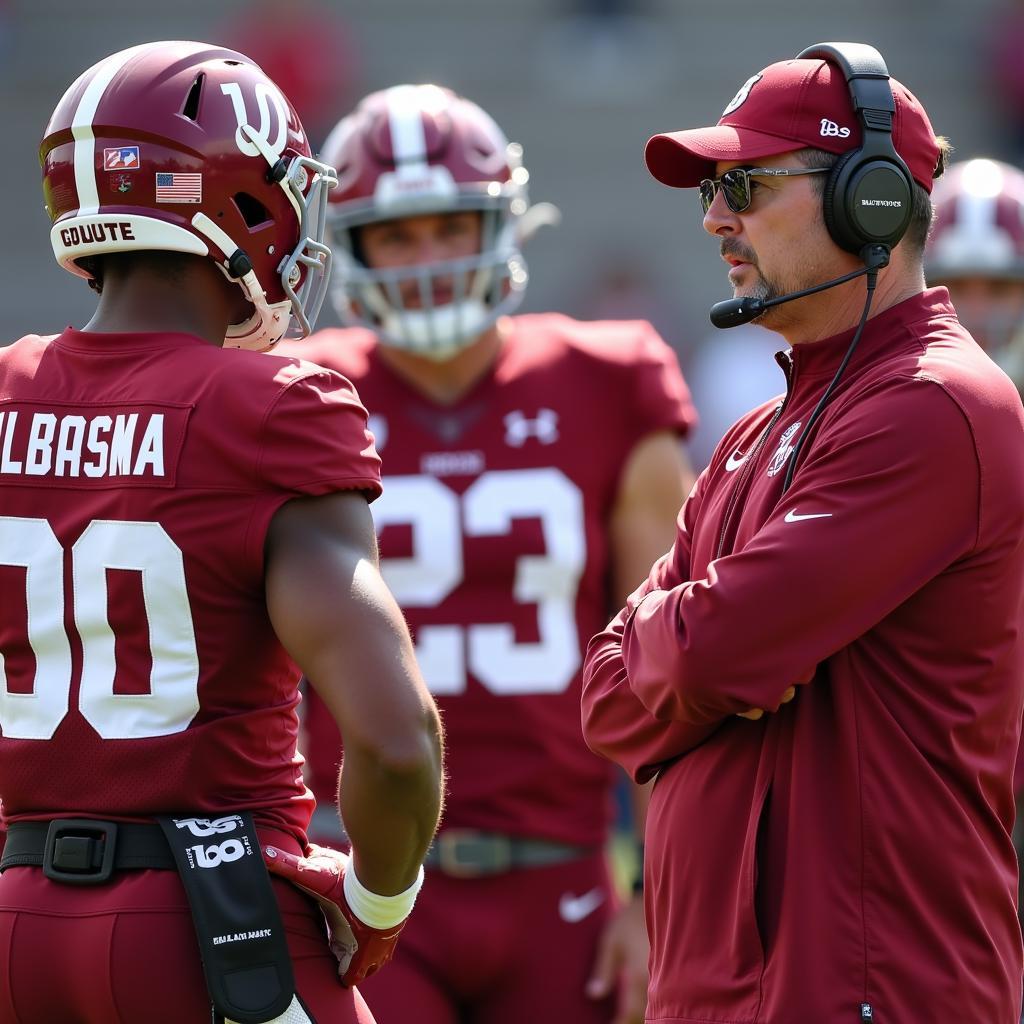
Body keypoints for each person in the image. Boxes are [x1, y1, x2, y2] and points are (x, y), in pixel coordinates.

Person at [0, 41, 443, 1024]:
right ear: (246, 199)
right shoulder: (273, 404)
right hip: (212, 918)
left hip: (18, 917)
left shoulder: (6, 389)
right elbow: (398, 737)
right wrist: (378, 902)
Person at [582, 42, 1024, 1023]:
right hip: (725, 993)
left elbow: (705, 655)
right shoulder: (752, 430)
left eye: (743, 183)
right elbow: (605, 698)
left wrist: (687, 638)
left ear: (867, 200)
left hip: (866, 989)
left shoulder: (932, 406)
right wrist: (694, 644)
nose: (714, 218)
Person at [277, 83, 697, 1024]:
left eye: (450, 227)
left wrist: (655, 895)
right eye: (398, 234)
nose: (427, 261)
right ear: (348, 240)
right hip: (360, 870)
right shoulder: (296, 392)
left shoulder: (612, 376)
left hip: (563, 878)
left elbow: (675, 669)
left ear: (500, 222)